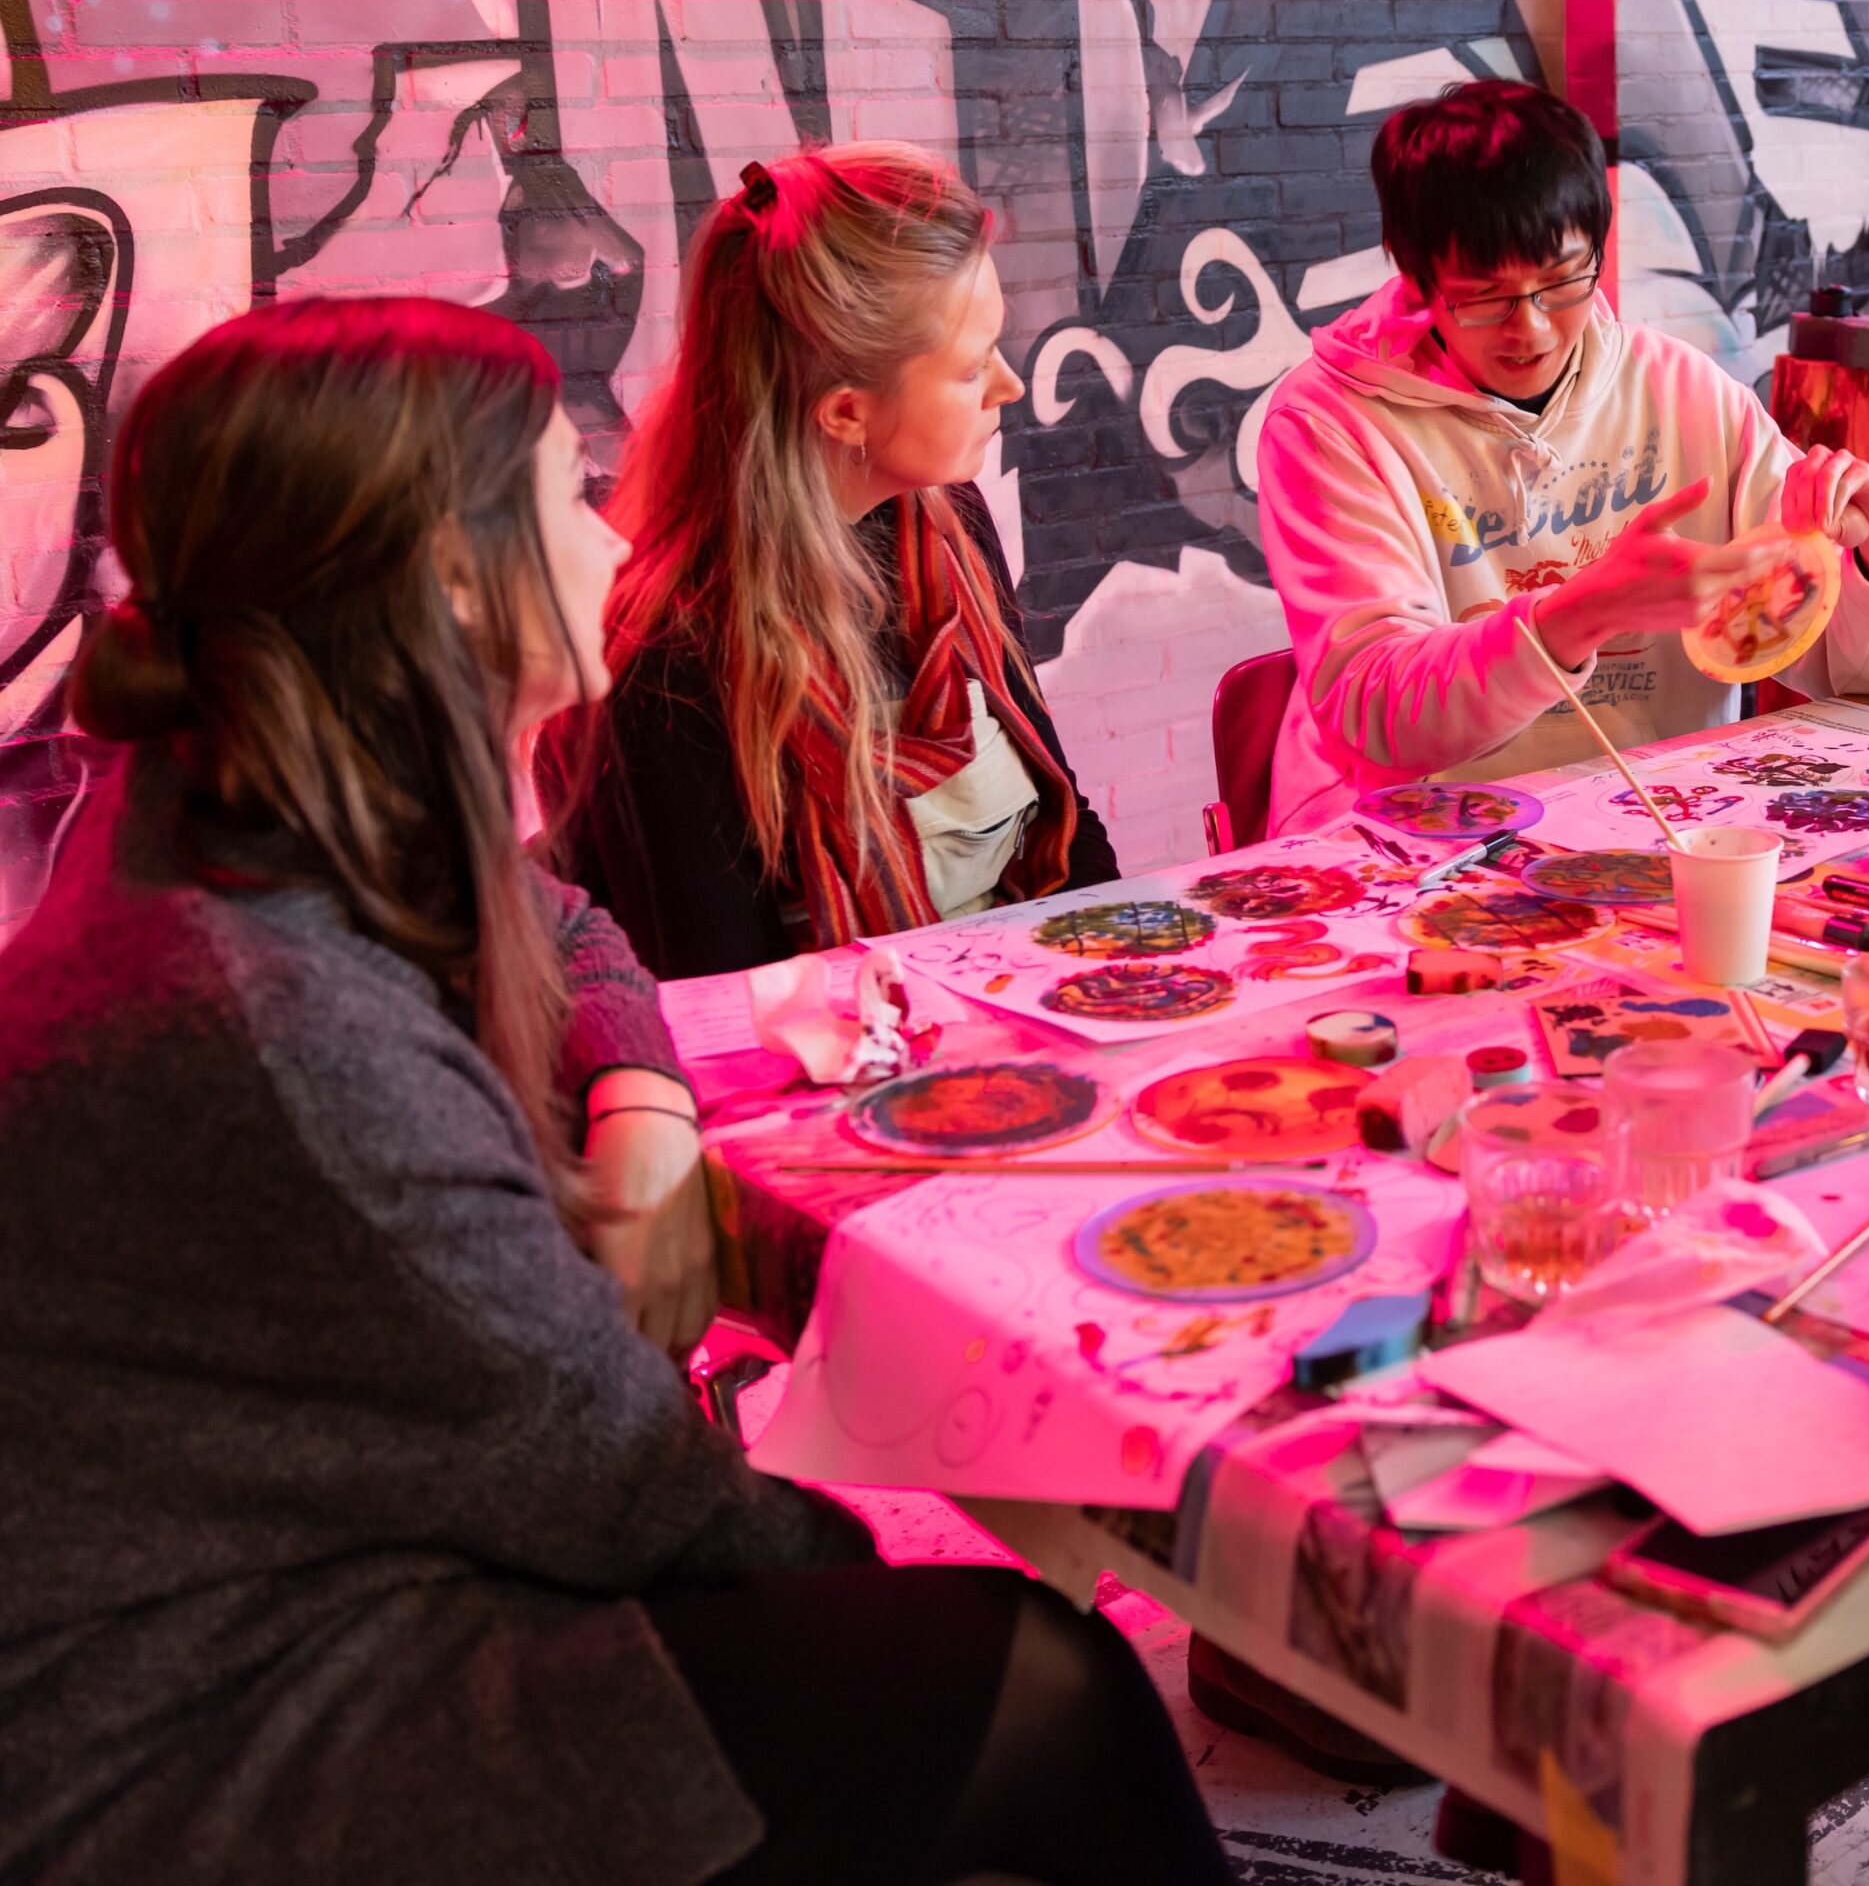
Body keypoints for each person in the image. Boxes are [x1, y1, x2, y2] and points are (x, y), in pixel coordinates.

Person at [0, 296, 1233, 1886]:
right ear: (451, 576)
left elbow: (557, 918)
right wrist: (884, 1588)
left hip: (297, 1570)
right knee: (1038, 1676)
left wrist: (642, 1120)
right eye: (565, 488)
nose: (605, 534)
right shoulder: (276, 1033)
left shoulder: (241, 802)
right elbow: (627, 1489)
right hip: (191, 1730)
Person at [1258, 81, 1869, 831]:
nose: (1528, 329)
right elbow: (1377, 709)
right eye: (1484, 296)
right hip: (1416, 840)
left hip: (1656, 819)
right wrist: (1580, 613)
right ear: (1418, 276)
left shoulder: (1679, 390)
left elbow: (1855, 669)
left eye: (1561, 282)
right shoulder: (1330, 421)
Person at [547, 144, 1118, 980]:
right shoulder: (669, 661)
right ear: (846, 413)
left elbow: (1059, 810)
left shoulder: (947, 523)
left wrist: (1130, 984)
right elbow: (722, 999)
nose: (1008, 386)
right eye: (969, 368)